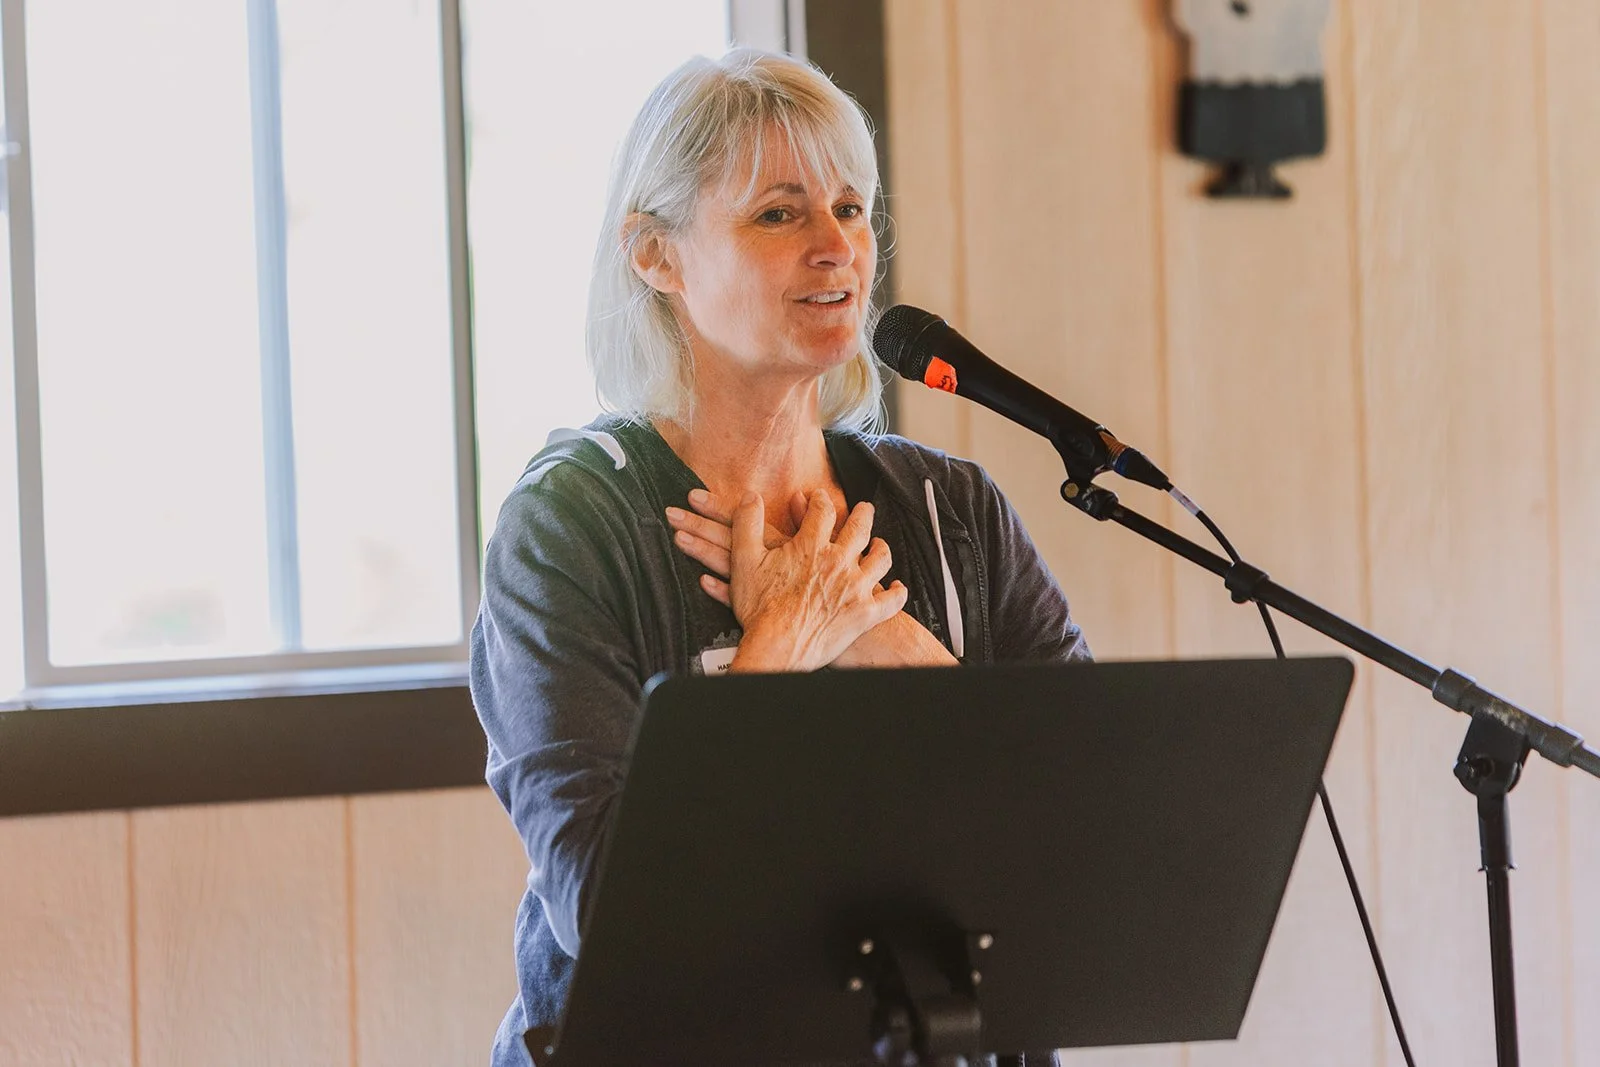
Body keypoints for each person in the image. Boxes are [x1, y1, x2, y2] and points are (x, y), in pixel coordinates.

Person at [469, 48, 1090, 1066]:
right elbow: (607, 902)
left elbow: (1093, 822)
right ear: (655, 255)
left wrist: (882, 635)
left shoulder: (949, 509)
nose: (836, 247)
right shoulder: (571, 522)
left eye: (851, 209)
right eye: (779, 213)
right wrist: (779, 648)